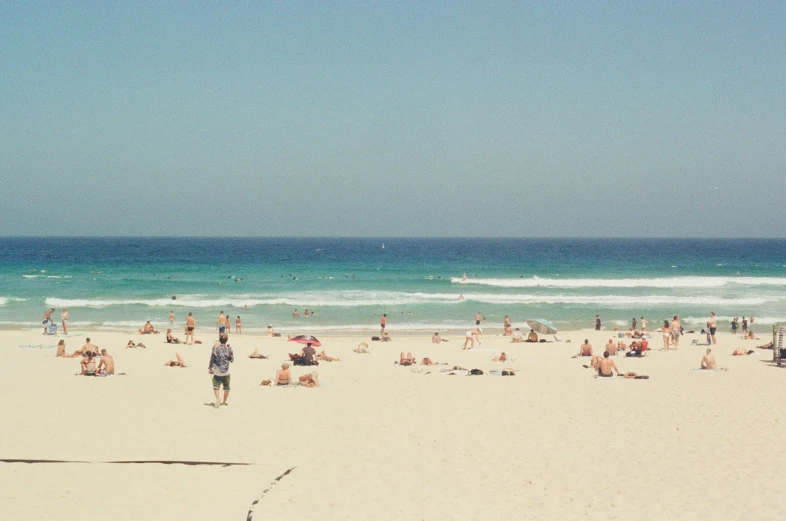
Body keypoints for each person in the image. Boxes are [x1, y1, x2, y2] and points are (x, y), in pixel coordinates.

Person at [208, 334, 233, 408]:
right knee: (227, 387)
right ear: (227, 340)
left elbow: (212, 359)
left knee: (216, 386)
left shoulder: (216, 348)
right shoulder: (229, 349)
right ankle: (224, 402)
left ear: (219, 340)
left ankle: (218, 398)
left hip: (217, 371)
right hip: (226, 371)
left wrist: (210, 368)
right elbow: (232, 359)